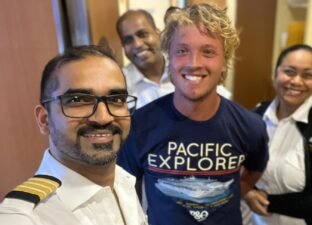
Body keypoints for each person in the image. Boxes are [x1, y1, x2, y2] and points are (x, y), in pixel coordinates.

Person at [117, 3, 269, 225]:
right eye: (182, 51)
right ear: (169, 57)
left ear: (224, 62)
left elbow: (255, 169)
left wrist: (228, 195)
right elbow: (130, 189)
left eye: (208, 52)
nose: (193, 63)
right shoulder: (139, 124)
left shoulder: (250, 126)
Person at [0, 45, 148, 225]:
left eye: (116, 99)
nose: (103, 118)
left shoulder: (123, 180)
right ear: (44, 120)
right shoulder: (23, 217)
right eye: (78, 100)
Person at [243, 44, 312, 225]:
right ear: (275, 73)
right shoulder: (256, 116)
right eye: (289, 72)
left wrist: (266, 201)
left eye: (307, 75)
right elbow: (237, 166)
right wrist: (247, 193)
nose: (296, 81)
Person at [116, 9, 231, 109]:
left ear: (158, 33)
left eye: (143, 34)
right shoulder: (120, 84)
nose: (137, 44)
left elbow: (220, 98)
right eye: (128, 40)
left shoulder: (183, 67)